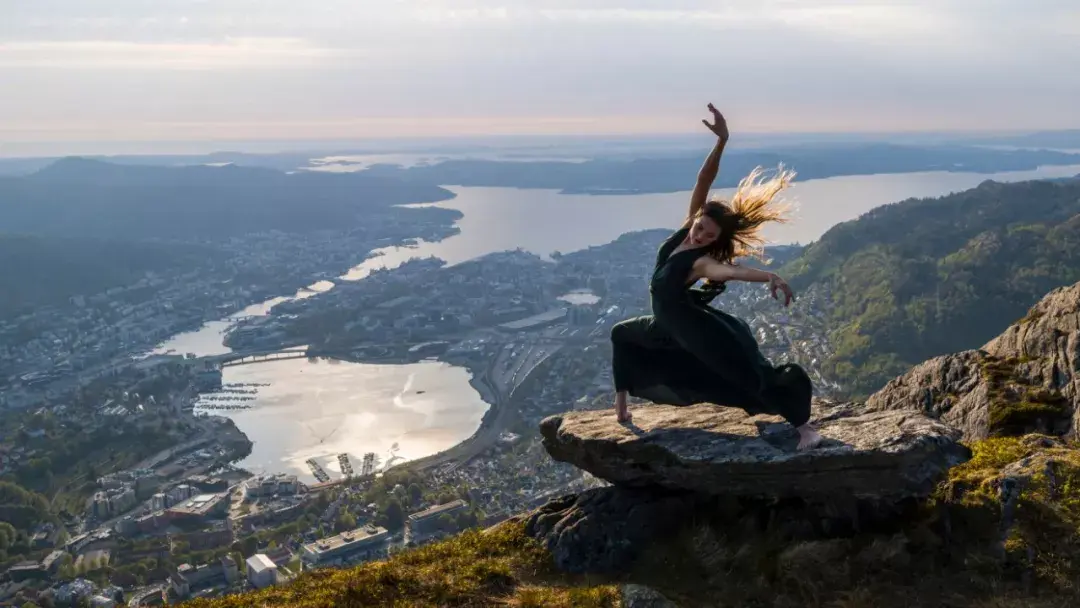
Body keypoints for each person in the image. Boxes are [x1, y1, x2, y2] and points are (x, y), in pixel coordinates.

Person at [610, 103, 823, 451]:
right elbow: (703, 180)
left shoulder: (699, 262)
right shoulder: (686, 231)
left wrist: (768, 275)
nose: (699, 236)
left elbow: (730, 271)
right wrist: (721, 142)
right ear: (695, 219)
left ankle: (805, 428)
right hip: (664, 326)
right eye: (699, 228)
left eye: (709, 236)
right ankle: (620, 408)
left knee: (746, 375)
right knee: (620, 334)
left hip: (691, 328)